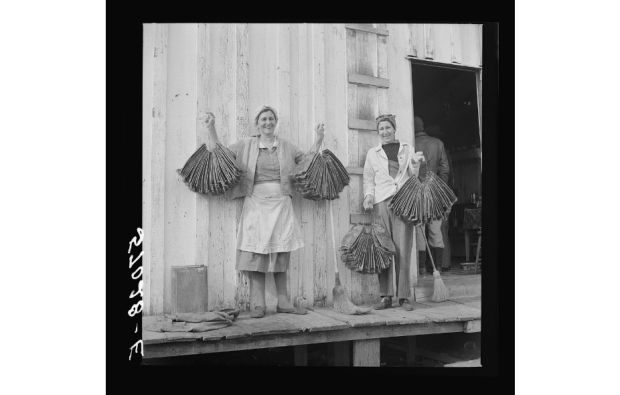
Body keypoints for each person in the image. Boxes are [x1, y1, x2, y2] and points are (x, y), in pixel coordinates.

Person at [203, 105, 325, 318]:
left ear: (275, 122)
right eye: (263, 119)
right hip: (256, 204)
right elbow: (220, 153)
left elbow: (307, 161)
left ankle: (284, 301)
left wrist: (319, 139)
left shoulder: (286, 146)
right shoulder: (247, 144)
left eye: (271, 119)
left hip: (281, 203)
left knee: (280, 251)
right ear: (257, 124)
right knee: (255, 252)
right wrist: (211, 128)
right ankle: (257, 303)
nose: (267, 122)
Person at [363, 114, 425, 311]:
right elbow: (368, 180)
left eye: (388, 128)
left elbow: (413, 176)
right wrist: (368, 197)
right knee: (384, 248)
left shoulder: (407, 149)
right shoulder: (373, 153)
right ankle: (385, 296)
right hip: (382, 202)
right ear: (378, 131)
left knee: (403, 249)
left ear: (394, 128)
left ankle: (405, 296)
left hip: (403, 202)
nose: (385, 132)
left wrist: (415, 164)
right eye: (381, 129)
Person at [413, 116, 451, 275]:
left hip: (417, 191)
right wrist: (438, 189)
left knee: (420, 229)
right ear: (423, 127)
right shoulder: (438, 143)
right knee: (435, 229)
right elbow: (445, 170)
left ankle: (421, 268)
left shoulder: (410, 144)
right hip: (435, 191)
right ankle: (438, 267)